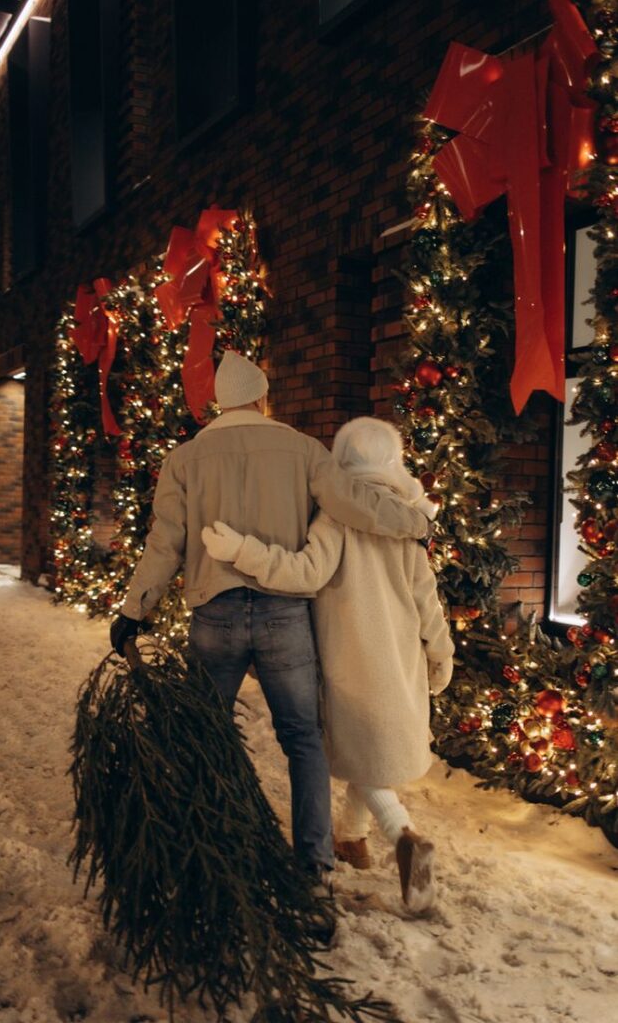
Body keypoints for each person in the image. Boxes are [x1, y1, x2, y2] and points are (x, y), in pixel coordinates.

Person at [110, 353, 432, 927]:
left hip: (214, 613)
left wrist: (135, 610)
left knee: (206, 736)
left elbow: (165, 542)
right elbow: (353, 504)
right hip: (285, 615)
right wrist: (415, 523)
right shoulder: (303, 449)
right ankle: (314, 867)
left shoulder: (184, 459)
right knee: (303, 739)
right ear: (262, 398)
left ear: (219, 402)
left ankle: (211, 849)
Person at [202, 416, 454, 914]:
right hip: (399, 659)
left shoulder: (336, 516)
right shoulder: (404, 520)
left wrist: (242, 551)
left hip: (348, 661)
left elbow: (303, 572)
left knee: (360, 749)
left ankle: (402, 834)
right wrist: (440, 653)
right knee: (371, 750)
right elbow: (427, 599)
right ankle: (351, 837)